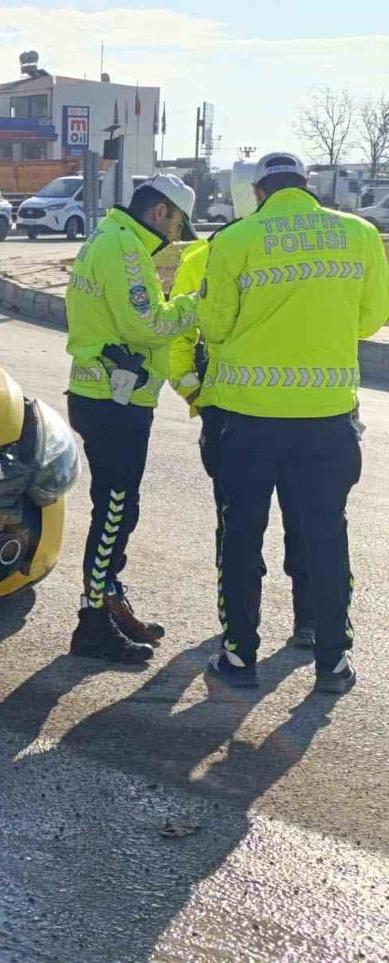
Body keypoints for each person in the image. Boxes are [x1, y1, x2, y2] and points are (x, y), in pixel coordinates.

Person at [199, 151, 389, 694]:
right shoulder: (359, 233)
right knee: (326, 535)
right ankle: (331, 660)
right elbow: (372, 317)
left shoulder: (235, 240)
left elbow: (214, 325)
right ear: (307, 187)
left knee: (241, 536)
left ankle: (240, 657)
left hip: (248, 421)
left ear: (259, 192)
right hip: (327, 419)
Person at [64, 174, 200, 663]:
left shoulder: (107, 235)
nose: (176, 236)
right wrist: (195, 304)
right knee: (115, 512)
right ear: (161, 211)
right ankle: (92, 623)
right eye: (178, 223)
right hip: (114, 401)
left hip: (101, 394)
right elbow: (147, 323)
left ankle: (109, 602)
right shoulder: (125, 248)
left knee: (119, 508)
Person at [167, 236, 314, 649]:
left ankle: (284, 625)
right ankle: (246, 623)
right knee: (252, 527)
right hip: (248, 414)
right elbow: (180, 334)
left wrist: (196, 393)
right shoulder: (206, 257)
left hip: (269, 412)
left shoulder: (215, 254)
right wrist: (195, 394)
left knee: (266, 523)